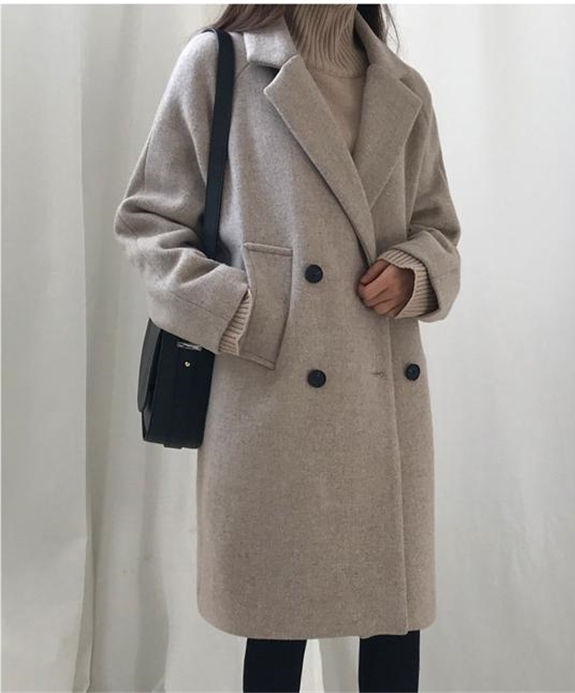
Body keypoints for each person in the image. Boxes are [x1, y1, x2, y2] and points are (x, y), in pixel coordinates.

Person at [113, 4, 461, 691]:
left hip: (382, 403)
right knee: (278, 622)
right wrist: (241, 311)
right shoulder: (223, 64)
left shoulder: (403, 89)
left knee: (393, 627)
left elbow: (438, 230)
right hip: (272, 399)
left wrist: (415, 273)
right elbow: (148, 223)